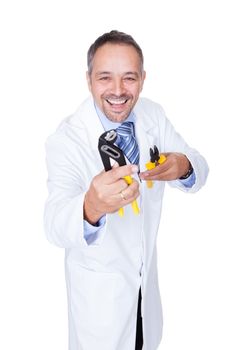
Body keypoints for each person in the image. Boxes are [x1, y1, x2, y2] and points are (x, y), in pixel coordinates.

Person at [44, 30, 209, 350]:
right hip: (99, 308)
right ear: (89, 79)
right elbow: (53, 224)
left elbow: (199, 169)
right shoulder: (66, 140)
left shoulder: (153, 115)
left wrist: (183, 166)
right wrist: (91, 206)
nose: (118, 91)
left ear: (143, 79)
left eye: (129, 78)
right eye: (105, 77)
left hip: (147, 300)